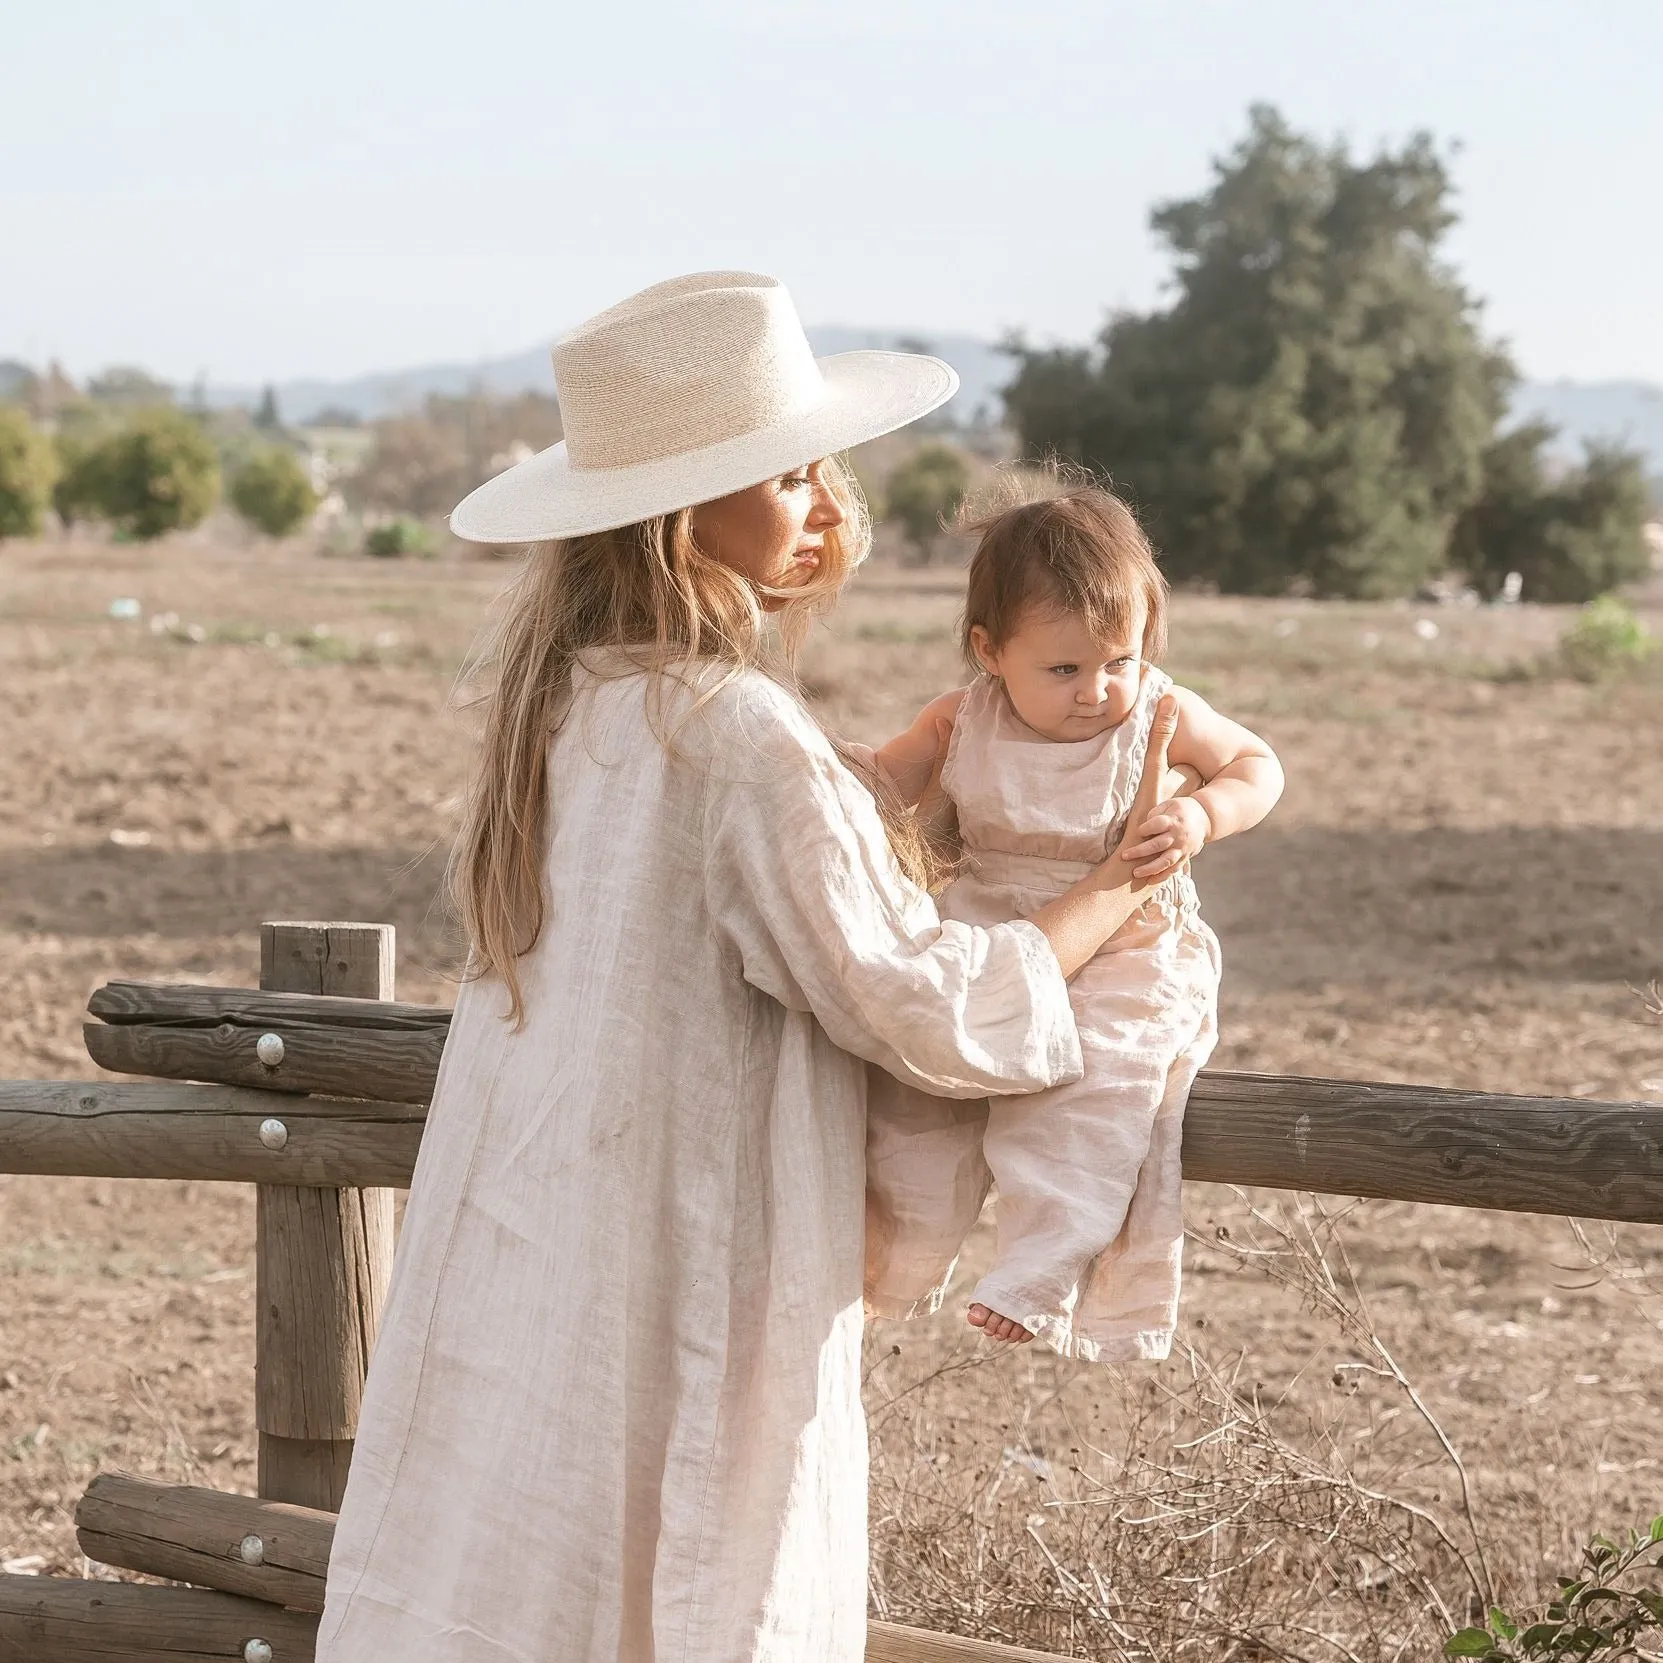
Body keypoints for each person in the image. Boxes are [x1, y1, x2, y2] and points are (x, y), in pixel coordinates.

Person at [313, 272, 1188, 1663]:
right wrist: (1104, 892)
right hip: (687, 1250)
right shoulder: (732, 737)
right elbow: (920, 1000)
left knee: (532, 1557)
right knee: (692, 1571)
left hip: (546, 1243)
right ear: (680, 516)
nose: (830, 505)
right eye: (785, 475)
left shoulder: (567, 711)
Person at [864, 485, 1284, 1363]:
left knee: (1094, 1092)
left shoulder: (1161, 715)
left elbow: (1256, 763)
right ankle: (884, 1262)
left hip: (1125, 949)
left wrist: (1205, 813)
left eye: (1117, 661)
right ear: (990, 651)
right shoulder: (958, 717)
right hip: (988, 933)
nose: (1096, 691)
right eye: (1063, 670)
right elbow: (876, 785)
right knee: (914, 1095)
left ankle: (1044, 1264)